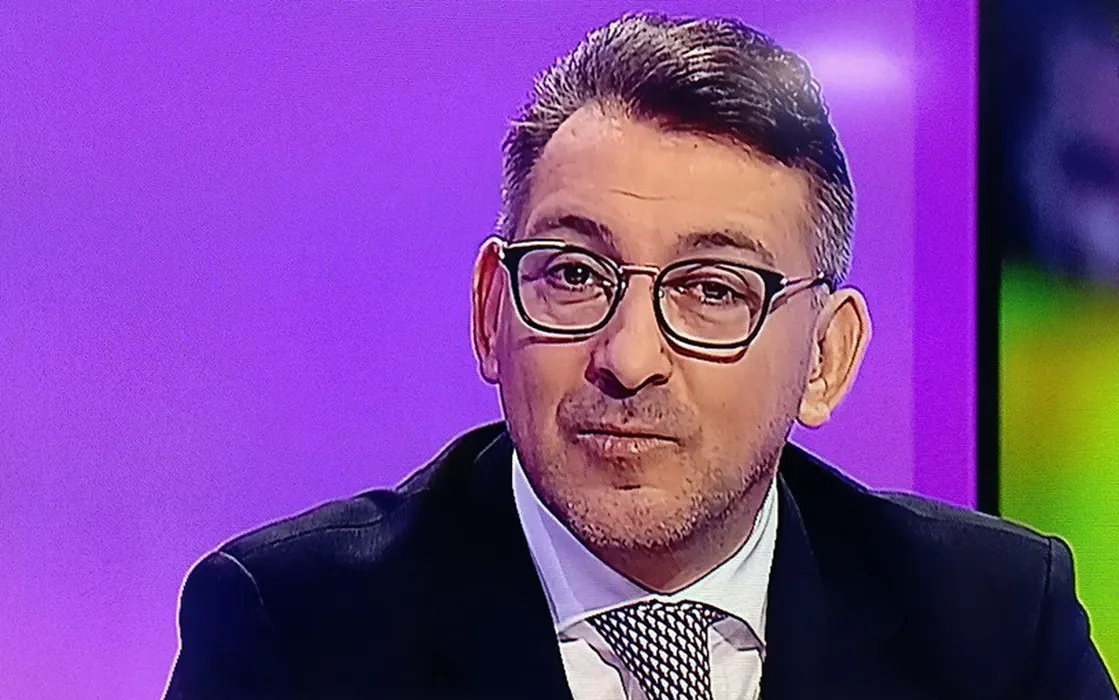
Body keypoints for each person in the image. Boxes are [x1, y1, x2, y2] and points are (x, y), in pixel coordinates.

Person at [163, 13, 1116, 700]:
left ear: (827, 356)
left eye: (712, 290)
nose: (627, 358)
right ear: (492, 310)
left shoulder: (994, 624)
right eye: (575, 274)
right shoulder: (294, 628)